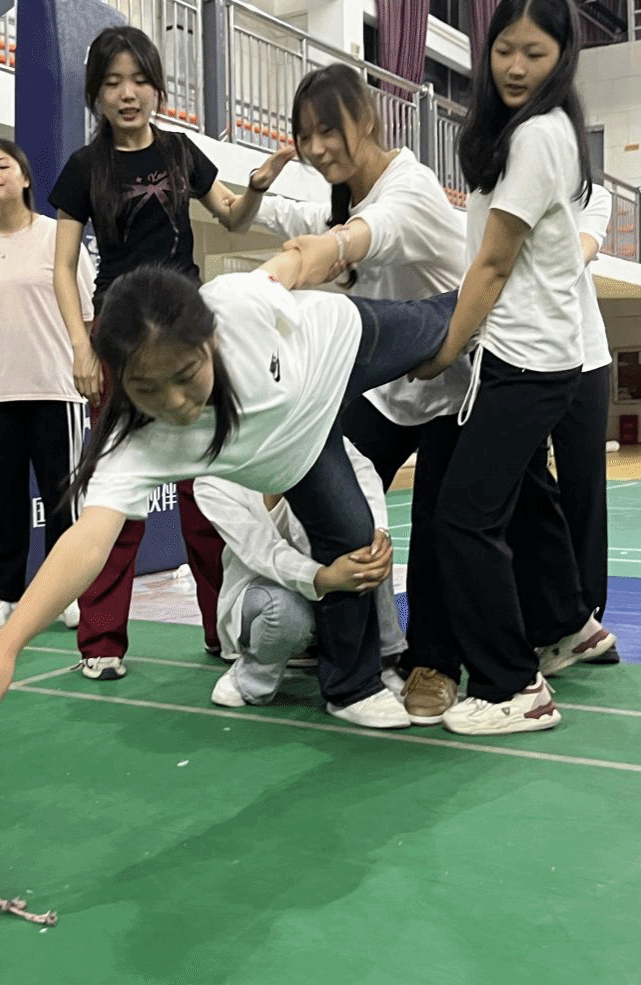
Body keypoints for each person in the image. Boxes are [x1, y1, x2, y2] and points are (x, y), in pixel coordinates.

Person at [0, 249, 458, 732]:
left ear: (212, 340)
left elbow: (292, 265)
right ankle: (352, 688)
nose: (175, 402)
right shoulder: (136, 445)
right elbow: (87, 542)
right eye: (146, 388)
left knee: (446, 324)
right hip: (304, 453)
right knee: (355, 549)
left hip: (340, 345)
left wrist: (338, 244)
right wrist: (7, 646)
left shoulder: (235, 304)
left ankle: (500, 278)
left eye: (185, 375)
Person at [49, 25, 285, 681]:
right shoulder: (84, 168)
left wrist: (257, 186)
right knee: (114, 496)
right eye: (112, 83)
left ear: (157, 87)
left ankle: (222, 628)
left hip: (188, 335)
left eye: (139, 80)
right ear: (96, 94)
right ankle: (101, 642)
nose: (128, 94)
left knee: (209, 494)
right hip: (121, 339)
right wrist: (81, 346)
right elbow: (62, 267)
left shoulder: (181, 152)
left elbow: (233, 216)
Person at [404, 0, 615, 735]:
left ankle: (511, 686)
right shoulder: (518, 134)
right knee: (523, 502)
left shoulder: (539, 135)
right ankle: (568, 626)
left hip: (530, 362)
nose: (516, 67)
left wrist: (442, 350)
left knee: (463, 518)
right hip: (517, 356)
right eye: (504, 51)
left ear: (563, 57)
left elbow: (493, 265)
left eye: (535, 53)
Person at [235, 63, 471, 717]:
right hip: (392, 391)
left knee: (442, 529)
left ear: (365, 119)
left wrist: (307, 260)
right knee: (332, 503)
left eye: (328, 131)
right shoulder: (346, 198)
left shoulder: (409, 188)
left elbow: (367, 235)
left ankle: (434, 662)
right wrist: (234, 192)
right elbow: (302, 215)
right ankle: (350, 660)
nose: (315, 149)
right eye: (304, 135)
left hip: (457, 383)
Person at [0, 138, 94, 635]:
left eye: (3, 165)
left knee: (64, 500)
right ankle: (0, 594)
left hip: (56, 390)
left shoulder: (59, 237)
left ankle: (66, 592)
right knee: (0, 501)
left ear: (26, 178)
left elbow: (86, 315)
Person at [196, 439, 406, 709]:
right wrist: (324, 578)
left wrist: (379, 529)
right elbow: (264, 552)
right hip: (264, 588)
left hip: (327, 575)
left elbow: (361, 468)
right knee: (285, 611)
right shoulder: (213, 480)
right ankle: (250, 678)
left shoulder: (308, 433)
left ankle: (385, 665)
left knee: (370, 550)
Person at [549, 182, 618, 665]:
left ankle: (586, 621)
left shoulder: (592, 195)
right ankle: (543, 614)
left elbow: (581, 251)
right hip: (522, 360)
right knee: (525, 493)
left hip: (586, 359)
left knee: (584, 492)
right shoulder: (498, 186)